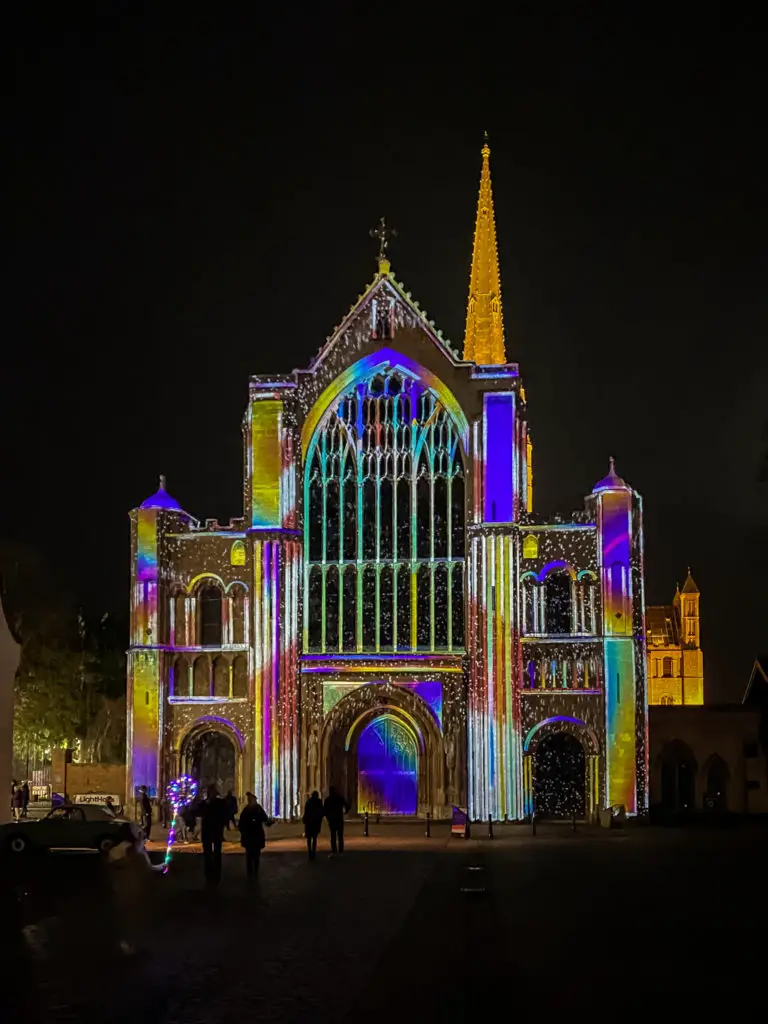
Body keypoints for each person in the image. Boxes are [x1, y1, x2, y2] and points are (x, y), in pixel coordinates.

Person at [199, 784, 229, 886]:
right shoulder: (205, 803)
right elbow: (197, 812)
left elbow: (224, 815)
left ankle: (215, 876)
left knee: (215, 855)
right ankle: (211, 876)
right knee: (209, 855)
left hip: (214, 831)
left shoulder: (219, 803)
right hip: (209, 832)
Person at [238, 792, 273, 878]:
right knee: (251, 855)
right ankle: (251, 872)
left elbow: (265, 819)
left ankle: (253, 871)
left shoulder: (255, 809)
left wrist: (269, 822)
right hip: (252, 835)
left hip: (254, 835)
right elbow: (241, 824)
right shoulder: (249, 810)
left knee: (254, 854)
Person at [323, 785, 350, 856]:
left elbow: (324, 810)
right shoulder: (339, 798)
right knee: (340, 836)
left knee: (333, 836)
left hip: (332, 820)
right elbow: (347, 805)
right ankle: (340, 850)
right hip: (339, 819)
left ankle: (334, 849)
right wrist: (345, 812)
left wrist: (328, 817)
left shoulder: (328, 800)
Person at [302, 791, 324, 860]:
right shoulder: (318, 802)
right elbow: (322, 812)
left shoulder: (309, 802)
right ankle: (313, 853)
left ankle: (310, 852)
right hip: (315, 823)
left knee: (310, 838)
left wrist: (305, 819)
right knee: (314, 838)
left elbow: (306, 812)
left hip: (310, 823)